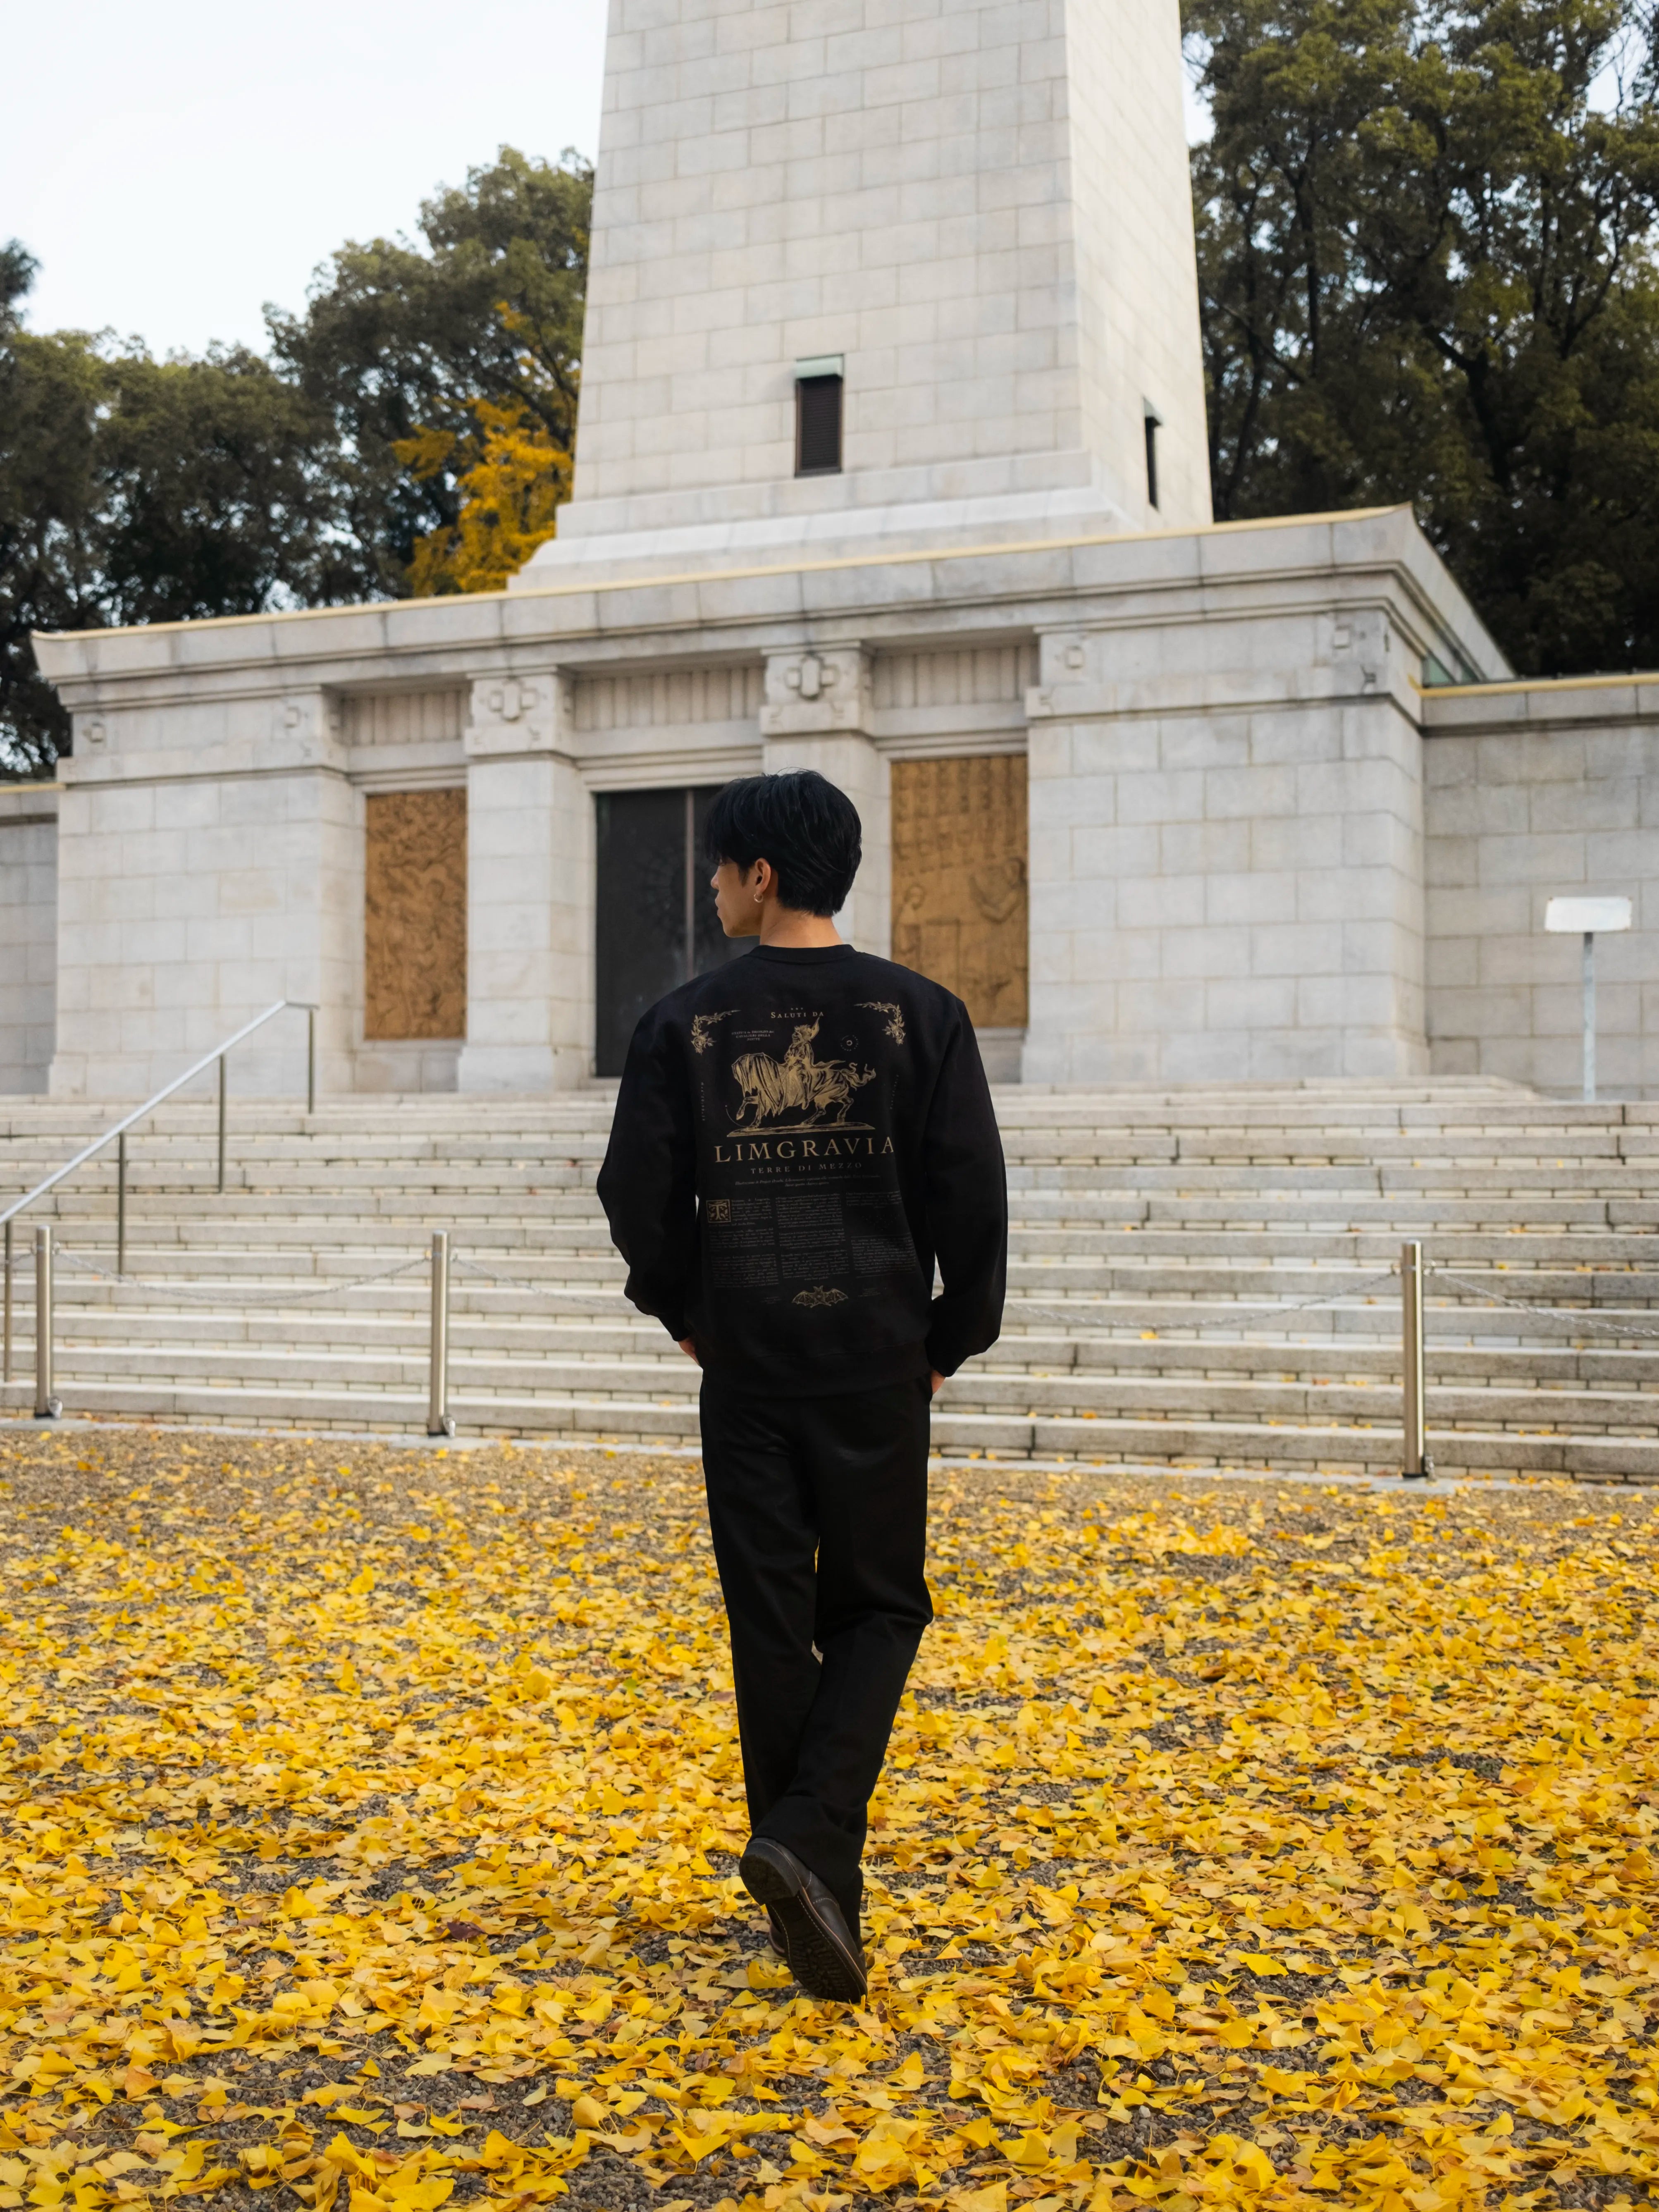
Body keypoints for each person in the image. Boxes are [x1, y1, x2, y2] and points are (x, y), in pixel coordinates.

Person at [597, 769, 1007, 2002]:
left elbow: (634, 1196)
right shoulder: (922, 1014)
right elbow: (970, 1199)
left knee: (774, 1624)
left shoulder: (685, 1025)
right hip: (878, 1362)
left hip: (752, 1371)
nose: (713, 887)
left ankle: (811, 1865)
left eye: (721, 868)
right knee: (879, 1611)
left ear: (761, 874)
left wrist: (686, 1313)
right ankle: (815, 1849)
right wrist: (949, 1338)